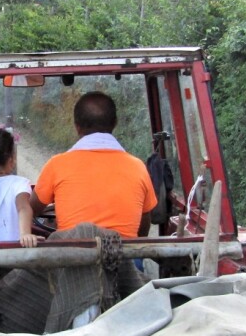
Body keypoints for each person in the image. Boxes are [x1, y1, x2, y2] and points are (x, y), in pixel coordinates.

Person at [30, 91, 158, 237]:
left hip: (72, 258)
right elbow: (143, 227)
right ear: (115, 123)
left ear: (77, 127)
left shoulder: (56, 165)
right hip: (123, 257)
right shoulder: (138, 167)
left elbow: (31, 210)